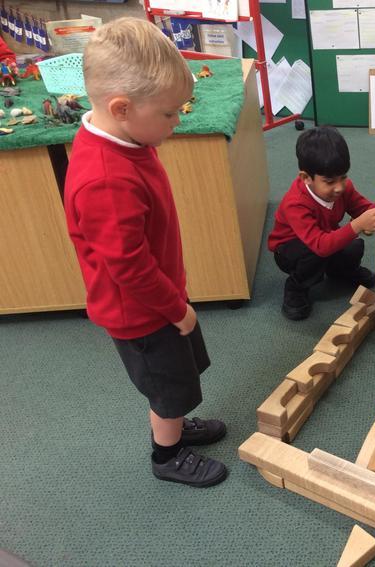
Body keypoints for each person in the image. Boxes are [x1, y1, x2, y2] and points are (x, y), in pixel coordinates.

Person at [64, 18, 227, 487]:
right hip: (141, 312)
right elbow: (130, 268)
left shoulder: (127, 138)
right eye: (169, 113)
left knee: (180, 373)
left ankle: (173, 423)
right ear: (122, 108)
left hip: (158, 295)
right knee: (167, 385)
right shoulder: (105, 179)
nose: (177, 122)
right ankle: (166, 454)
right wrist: (176, 309)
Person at [268, 126, 375, 320]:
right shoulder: (295, 203)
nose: (339, 187)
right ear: (306, 178)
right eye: (329, 181)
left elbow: (362, 209)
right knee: (314, 254)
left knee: (353, 247)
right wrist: (358, 225)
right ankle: (296, 286)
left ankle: (340, 272)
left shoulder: (344, 188)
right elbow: (320, 245)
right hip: (291, 250)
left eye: (343, 177)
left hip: (325, 238)